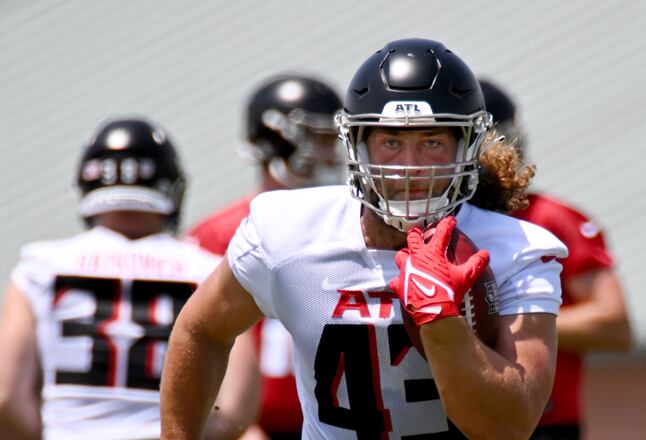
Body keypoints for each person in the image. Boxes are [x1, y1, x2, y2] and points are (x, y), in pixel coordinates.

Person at [161, 38, 569, 439]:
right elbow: (202, 331)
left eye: (431, 142)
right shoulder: (286, 229)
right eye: (391, 141)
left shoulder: (517, 250)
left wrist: (441, 319)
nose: (409, 167)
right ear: (357, 146)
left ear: (467, 146)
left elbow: (507, 427)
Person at [0, 117, 259, 440]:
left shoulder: (41, 267)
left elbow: (6, 395)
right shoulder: (205, 269)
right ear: (170, 186)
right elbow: (237, 408)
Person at [187, 74, 344, 440]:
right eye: (319, 139)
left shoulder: (351, 221)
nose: (331, 152)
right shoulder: (216, 235)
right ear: (278, 141)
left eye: (332, 139)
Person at [479, 78, 634, 440]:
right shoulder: (421, 222)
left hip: (544, 424)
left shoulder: (550, 219)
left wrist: (514, 318)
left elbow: (613, 322)